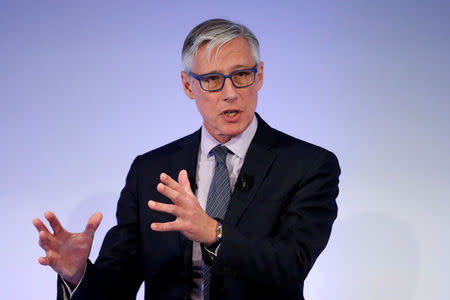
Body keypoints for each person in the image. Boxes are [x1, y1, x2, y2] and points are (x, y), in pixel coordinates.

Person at [33, 18, 340, 300]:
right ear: (187, 85)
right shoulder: (150, 170)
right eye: (212, 79)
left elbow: (292, 263)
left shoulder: (308, 165)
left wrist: (214, 233)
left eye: (242, 75)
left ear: (259, 76)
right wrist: (78, 275)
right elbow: (117, 286)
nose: (230, 93)